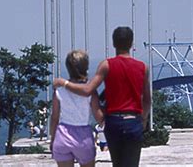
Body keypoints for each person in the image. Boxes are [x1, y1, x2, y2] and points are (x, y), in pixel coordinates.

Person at [54, 26, 151, 167]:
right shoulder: (143, 67)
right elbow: (147, 100)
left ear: (113, 43)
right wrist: (143, 119)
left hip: (113, 122)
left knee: (117, 163)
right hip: (133, 121)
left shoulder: (106, 65)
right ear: (131, 43)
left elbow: (87, 90)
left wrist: (64, 83)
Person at [50, 50, 104, 167]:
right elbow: (98, 116)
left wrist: (53, 139)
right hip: (83, 137)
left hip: (62, 135)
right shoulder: (90, 91)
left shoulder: (59, 90)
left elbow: (54, 117)